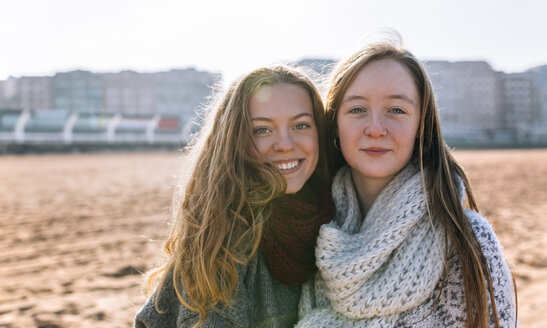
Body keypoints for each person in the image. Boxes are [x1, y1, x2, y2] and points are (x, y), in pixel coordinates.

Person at [296, 39, 517, 327]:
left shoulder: (469, 241)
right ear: (335, 123)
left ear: (420, 125)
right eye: (357, 109)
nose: (375, 128)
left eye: (396, 110)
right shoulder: (307, 230)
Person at [134, 65, 334, 328]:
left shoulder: (338, 211)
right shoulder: (227, 239)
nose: (285, 143)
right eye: (262, 129)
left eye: (301, 125)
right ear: (235, 141)